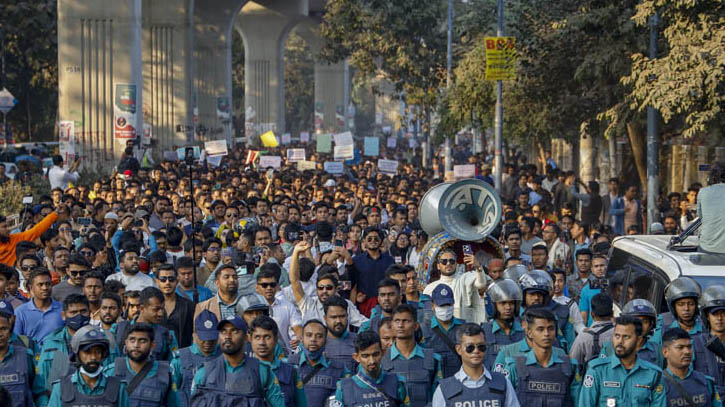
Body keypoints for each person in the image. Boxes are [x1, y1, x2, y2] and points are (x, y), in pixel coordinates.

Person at [500, 307, 581, 406]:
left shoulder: (570, 367)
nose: (546, 334)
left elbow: (578, 402)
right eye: (540, 329)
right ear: (529, 333)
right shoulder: (515, 367)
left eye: (550, 329)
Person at [579, 315, 666, 407]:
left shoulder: (653, 374)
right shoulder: (597, 370)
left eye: (626, 337)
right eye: (617, 336)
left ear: (638, 340)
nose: (620, 341)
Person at [431, 323, 520, 407]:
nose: (476, 351)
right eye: (470, 347)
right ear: (459, 349)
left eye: (481, 347)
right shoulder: (445, 389)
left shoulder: (503, 383)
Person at [47, 325, 129, 407]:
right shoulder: (61, 388)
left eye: (97, 352)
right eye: (87, 352)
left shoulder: (118, 387)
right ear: (77, 354)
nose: (93, 357)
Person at [35, 294, 93, 407]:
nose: (79, 316)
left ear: (90, 313)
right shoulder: (51, 342)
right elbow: (40, 385)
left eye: (83, 311)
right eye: (73, 312)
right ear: (63, 315)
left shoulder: (103, 340)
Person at [290, 242, 367, 327]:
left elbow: (364, 323)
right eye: (320, 288)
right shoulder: (309, 305)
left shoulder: (346, 304)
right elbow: (295, 281)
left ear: (337, 288)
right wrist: (296, 252)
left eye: (329, 288)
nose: (324, 291)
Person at [381, 303, 443, 406]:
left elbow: (438, 398)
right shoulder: (382, 360)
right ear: (392, 325)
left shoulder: (433, 359)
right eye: (397, 321)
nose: (401, 325)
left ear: (416, 326)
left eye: (406, 321)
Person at [110, 323, 180, 407]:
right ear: (126, 343)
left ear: (152, 345)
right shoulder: (112, 371)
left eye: (142, 341)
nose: (136, 345)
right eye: (132, 340)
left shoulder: (165, 374)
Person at [334, 331, 409, 406]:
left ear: (383, 352)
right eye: (365, 356)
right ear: (356, 357)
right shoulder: (344, 388)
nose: (372, 361)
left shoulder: (397, 383)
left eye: (375, 354)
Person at [249, 315, 307, 407]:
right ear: (250, 339)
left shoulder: (291, 371)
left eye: (267, 337)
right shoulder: (244, 370)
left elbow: (302, 404)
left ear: (276, 340)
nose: (262, 343)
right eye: (257, 337)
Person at [285, 319, 346, 407]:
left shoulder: (338, 369)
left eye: (319, 336)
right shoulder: (289, 366)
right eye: (309, 335)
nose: (313, 339)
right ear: (302, 339)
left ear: (326, 340)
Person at [423, 248, 489, 324]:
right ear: (438, 266)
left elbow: (481, 284)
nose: (448, 264)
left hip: (464, 328)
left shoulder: (465, 278)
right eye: (444, 261)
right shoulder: (430, 288)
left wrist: (478, 266)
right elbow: (427, 315)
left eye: (451, 261)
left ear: (456, 264)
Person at [112, 287, 179, 361]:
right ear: (142, 308)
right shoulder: (118, 329)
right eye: (156, 309)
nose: (161, 313)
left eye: (162, 309)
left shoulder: (167, 336)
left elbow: (174, 365)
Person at [661, 327, 723, 407]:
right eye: (680, 347)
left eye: (689, 347)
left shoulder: (706, 382)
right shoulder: (657, 384)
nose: (687, 352)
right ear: (665, 352)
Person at [172, 310, 221, 407]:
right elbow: (172, 392)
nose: (207, 342)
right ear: (194, 334)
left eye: (212, 338)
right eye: (203, 338)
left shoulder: (226, 356)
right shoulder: (180, 359)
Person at [519, 270, 575, 352]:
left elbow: (570, 344)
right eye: (532, 294)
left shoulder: (557, 315)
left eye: (540, 294)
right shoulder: (515, 315)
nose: (536, 298)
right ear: (524, 295)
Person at [601, 298, 664, 368]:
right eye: (635, 321)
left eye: (645, 322)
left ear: (651, 325)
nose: (640, 325)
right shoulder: (609, 348)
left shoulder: (657, 350)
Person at [255, 264, 302, 353]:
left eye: (272, 285)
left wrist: (298, 339)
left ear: (276, 286)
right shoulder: (251, 309)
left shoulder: (287, 306)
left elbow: (298, 327)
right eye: (264, 285)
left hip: (284, 356)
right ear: (257, 288)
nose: (269, 288)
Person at [421, 284, 465, 378]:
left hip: (459, 381)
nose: (445, 309)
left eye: (448, 305)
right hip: (433, 382)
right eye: (441, 305)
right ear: (432, 305)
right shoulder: (423, 329)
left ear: (453, 304)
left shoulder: (464, 328)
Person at [349, 227, 395, 316]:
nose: (373, 241)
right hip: (363, 304)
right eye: (369, 239)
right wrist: (354, 302)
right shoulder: (356, 260)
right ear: (364, 242)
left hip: (385, 303)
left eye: (376, 239)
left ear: (381, 241)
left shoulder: (390, 260)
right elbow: (353, 285)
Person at [482, 279, 525, 370]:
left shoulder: (525, 331)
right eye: (503, 303)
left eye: (511, 303)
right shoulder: (483, 332)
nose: (508, 307)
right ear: (493, 305)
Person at [13, 268, 64, 344]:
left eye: (48, 284)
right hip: (30, 354)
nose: (45, 288)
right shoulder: (20, 312)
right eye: (40, 285)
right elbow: (16, 341)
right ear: (31, 288)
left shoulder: (62, 309)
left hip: (57, 354)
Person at [692, 285, 725, 396]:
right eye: (715, 314)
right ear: (707, 316)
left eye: (723, 314)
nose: (720, 318)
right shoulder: (695, 343)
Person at [652, 276, 705, 344]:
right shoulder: (663, 322)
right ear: (673, 307)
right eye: (681, 304)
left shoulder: (705, 326)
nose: (686, 308)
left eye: (691, 304)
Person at [0, 308, 35, 407]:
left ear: (10, 329)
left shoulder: (25, 356)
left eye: (3, 329)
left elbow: (39, 391)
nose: (0, 334)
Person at [154, 264, 195, 348]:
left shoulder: (189, 305)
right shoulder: (150, 306)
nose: (167, 283)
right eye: (163, 279)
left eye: (171, 279)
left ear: (177, 281)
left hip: (182, 354)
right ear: (156, 281)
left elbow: (195, 333)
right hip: (157, 354)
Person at [569, 293, 614, 367]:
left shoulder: (583, 337)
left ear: (592, 315)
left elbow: (573, 363)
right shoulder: (619, 334)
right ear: (612, 314)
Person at [323, 295, 358, 371]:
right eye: (333, 317)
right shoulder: (317, 342)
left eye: (342, 316)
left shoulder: (358, 341)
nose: (338, 321)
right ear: (325, 318)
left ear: (347, 316)